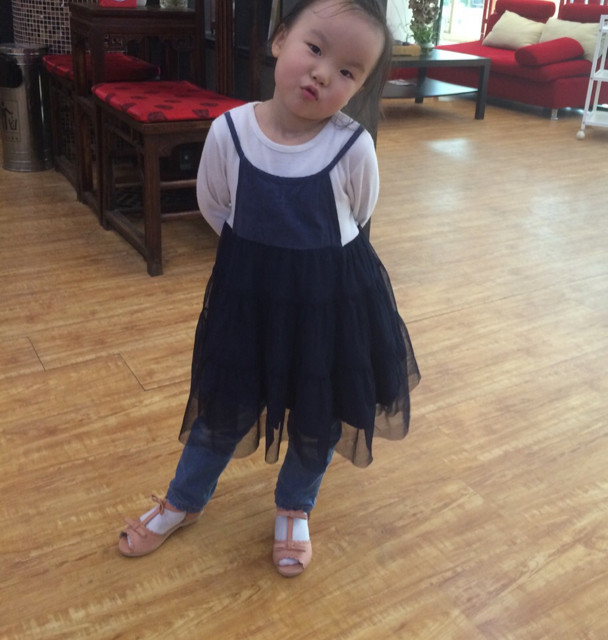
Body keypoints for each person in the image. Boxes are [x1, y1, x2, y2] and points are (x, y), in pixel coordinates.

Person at [117, 0, 420, 577]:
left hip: (329, 301)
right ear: (280, 41)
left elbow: (359, 214)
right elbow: (216, 206)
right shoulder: (229, 132)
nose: (323, 73)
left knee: (318, 411)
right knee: (223, 403)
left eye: (348, 71)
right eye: (315, 49)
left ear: (359, 88)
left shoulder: (352, 146)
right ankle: (183, 499)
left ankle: (294, 506)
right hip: (248, 296)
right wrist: (263, 263)